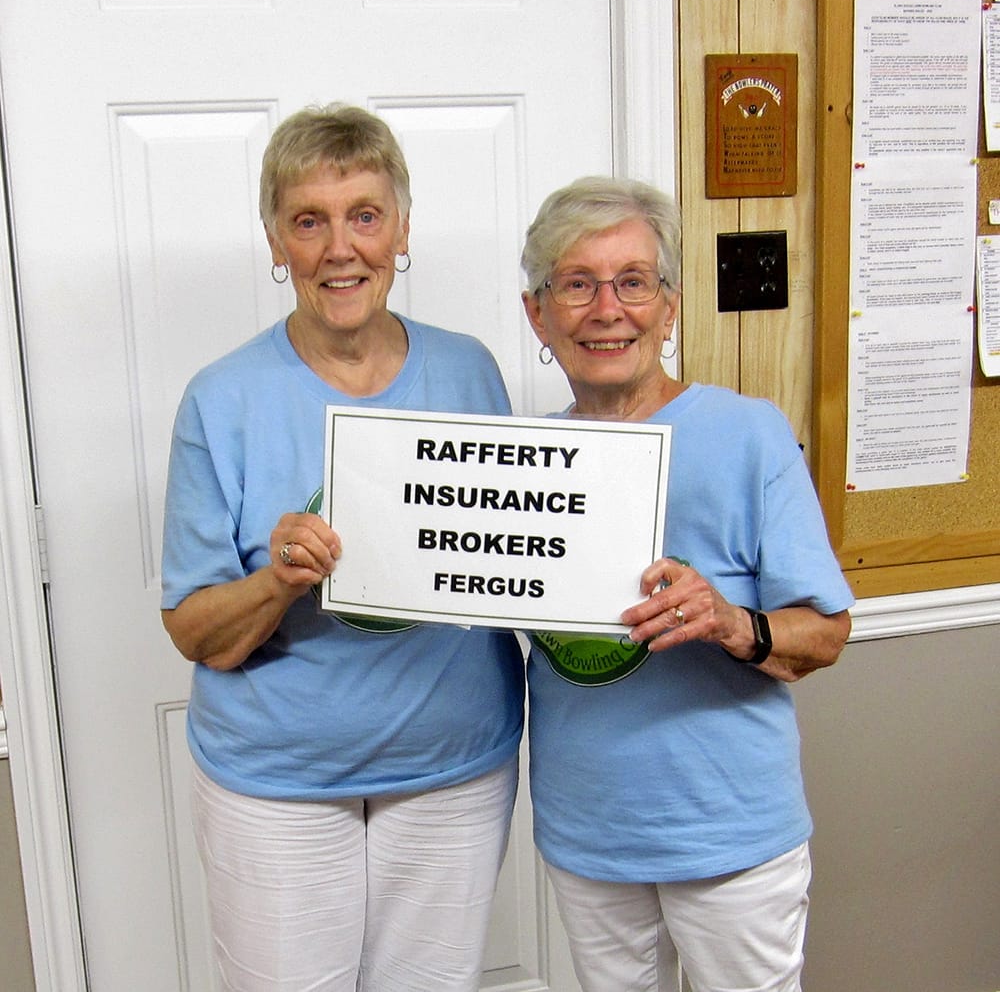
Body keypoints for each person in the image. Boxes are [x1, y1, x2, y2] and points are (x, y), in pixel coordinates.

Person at [160, 103, 525, 992]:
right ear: (276, 242)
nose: (340, 248)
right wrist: (276, 580)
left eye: (364, 214)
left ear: (400, 228)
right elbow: (195, 630)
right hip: (277, 786)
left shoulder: (470, 369)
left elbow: (514, 555)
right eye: (309, 221)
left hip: (454, 773)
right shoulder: (221, 400)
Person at [519, 176, 854, 992]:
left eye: (634, 282)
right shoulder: (518, 463)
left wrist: (732, 620)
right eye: (577, 284)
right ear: (539, 313)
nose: (608, 308)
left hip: (729, 832)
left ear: (669, 308)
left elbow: (826, 632)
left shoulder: (748, 433)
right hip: (588, 831)